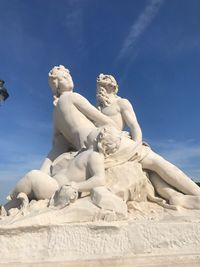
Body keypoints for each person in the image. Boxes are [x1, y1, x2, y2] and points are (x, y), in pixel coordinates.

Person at [96, 73, 200, 199]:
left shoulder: (121, 102)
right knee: (157, 164)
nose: (101, 85)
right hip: (105, 147)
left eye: (105, 81)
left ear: (113, 86)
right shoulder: (97, 109)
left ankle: (193, 194)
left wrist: (136, 144)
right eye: (100, 83)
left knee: (157, 167)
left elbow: (134, 126)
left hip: (122, 143)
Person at [40, 65, 116, 174]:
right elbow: (103, 120)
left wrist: (43, 171)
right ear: (57, 86)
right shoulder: (72, 96)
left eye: (68, 76)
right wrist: (116, 128)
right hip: (98, 141)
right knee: (142, 152)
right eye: (64, 78)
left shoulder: (55, 112)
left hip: (82, 150)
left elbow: (58, 144)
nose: (69, 78)